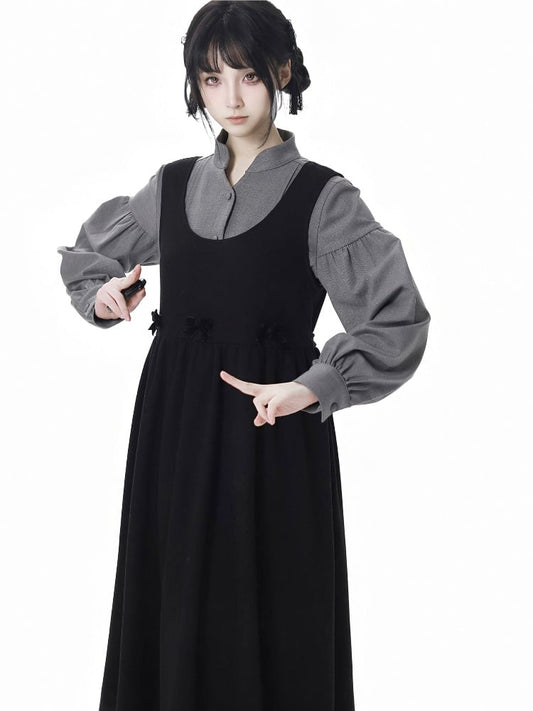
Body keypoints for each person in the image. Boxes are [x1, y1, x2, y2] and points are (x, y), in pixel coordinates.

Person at [56, 2, 431, 709]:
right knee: (170, 601)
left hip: (272, 433)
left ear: (281, 73)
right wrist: (102, 294)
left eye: (248, 76)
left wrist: (316, 385)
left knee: (267, 613)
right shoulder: (171, 186)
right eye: (211, 79)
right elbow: (88, 255)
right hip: (172, 426)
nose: (230, 98)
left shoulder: (325, 199)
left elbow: (396, 319)